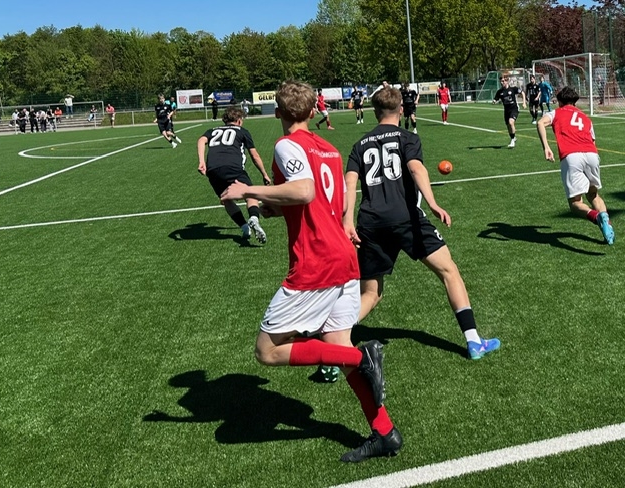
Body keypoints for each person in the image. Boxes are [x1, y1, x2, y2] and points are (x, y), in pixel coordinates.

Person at [220, 80, 402, 463]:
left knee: (267, 351)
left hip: (317, 261)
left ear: (278, 112)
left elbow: (304, 191)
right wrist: (272, 206)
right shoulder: (329, 148)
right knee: (338, 348)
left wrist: (247, 190)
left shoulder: (288, 145)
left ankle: (365, 358)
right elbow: (320, 201)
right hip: (344, 258)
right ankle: (385, 432)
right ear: (313, 110)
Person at [344, 86, 501, 361]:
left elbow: (349, 182)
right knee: (449, 272)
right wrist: (433, 203)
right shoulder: (408, 138)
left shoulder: (359, 144)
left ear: (374, 112)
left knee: (371, 292)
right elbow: (416, 168)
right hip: (406, 217)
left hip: (370, 222)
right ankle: (474, 342)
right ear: (401, 110)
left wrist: (347, 220)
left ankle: (335, 340)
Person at [537, 86, 614, 245]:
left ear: (560, 102)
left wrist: (546, 147)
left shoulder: (557, 112)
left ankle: (597, 217)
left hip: (572, 156)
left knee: (575, 203)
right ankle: (607, 225)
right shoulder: (585, 118)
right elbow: (593, 141)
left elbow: (540, 123)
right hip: (592, 154)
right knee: (593, 194)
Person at [197, 106, 270, 243]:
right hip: (232, 168)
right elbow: (255, 156)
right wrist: (264, 174)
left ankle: (244, 228)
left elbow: (201, 140)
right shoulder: (242, 131)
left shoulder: (212, 130)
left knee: (226, 199)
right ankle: (254, 218)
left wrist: (201, 161)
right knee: (250, 194)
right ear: (239, 121)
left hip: (213, 169)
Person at [492, 77, 527, 148]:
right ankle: (513, 137)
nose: (501, 83)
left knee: (511, 122)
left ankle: (512, 140)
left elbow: (522, 93)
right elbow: (496, 98)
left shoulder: (513, 89)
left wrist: (524, 103)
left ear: (507, 81)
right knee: (508, 126)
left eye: (503, 81)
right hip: (506, 110)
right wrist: (494, 101)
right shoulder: (500, 91)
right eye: (501, 81)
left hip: (514, 109)